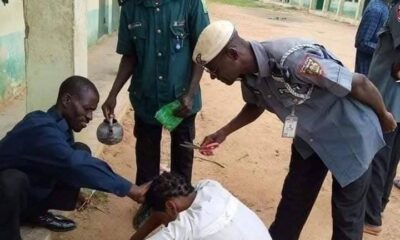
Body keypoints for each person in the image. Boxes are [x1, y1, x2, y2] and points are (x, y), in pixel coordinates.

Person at [192, 20, 397, 240]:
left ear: (232, 54)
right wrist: (224, 131)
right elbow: (256, 103)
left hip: (348, 137)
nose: (213, 76)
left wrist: (384, 116)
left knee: (347, 217)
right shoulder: (249, 75)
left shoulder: (295, 60)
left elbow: (359, 84)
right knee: (292, 203)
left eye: (213, 69)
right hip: (309, 140)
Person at [0, 76, 148, 240]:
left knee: (80, 150)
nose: (90, 117)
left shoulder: (60, 125)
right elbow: (74, 164)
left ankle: (35, 213)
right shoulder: (40, 127)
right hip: (6, 198)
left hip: (25, 193)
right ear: (67, 100)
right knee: (12, 180)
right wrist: (131, 189)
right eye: (87, 109)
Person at [101, 0, 209, 188]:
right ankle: (148, 206)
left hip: (181, 100)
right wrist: (113, 94)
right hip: (146, 97)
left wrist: (190, 93)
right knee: (146, 157)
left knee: (182, 157)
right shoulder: (130, 7)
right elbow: (129, 55)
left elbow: (201, 52)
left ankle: (178, 207)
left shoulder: (189, 4)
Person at [130, 172, 272, 240]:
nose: (165, 224)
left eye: (164, 220)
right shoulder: (210, 187)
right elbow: (161, 213)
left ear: (171, 207)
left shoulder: (184, 229)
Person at [364, 0, 400, 235]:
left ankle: (371, 216)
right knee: (390, 159)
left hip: (387, 101)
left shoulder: (397, 10)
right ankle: (378, 209)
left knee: (379, 156)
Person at [354, 0, 389, 74]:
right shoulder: (376, 10)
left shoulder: (385, 7)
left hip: (377, 69)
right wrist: (385, 50)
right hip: (367, 71)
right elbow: (361, 42)